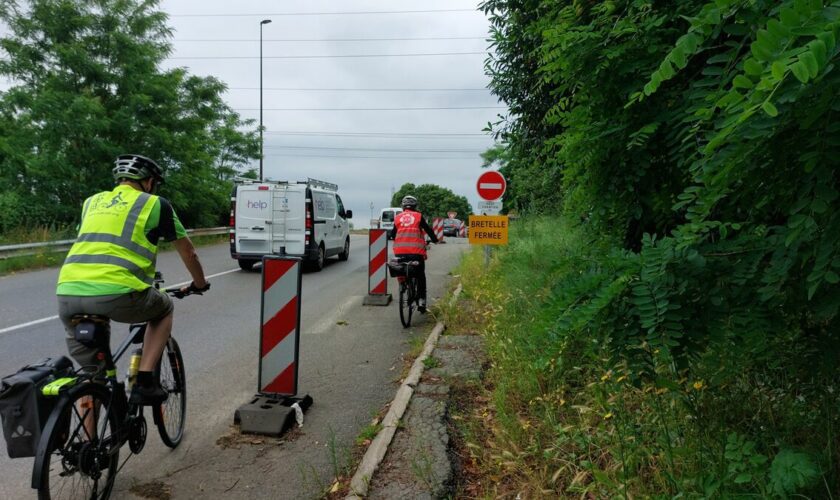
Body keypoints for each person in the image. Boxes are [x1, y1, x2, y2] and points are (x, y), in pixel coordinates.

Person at [56, 154, 209, 405]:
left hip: (67, 293)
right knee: (164, 309)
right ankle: (146, 380)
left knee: (92, 378)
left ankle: (90, 442)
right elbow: (189, 252)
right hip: (118, 292)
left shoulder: (91, 203)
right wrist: (200, 283)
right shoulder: (154, 204)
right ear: (149, 182)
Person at [389, 195, 438, 312]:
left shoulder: (398, 218)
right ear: (415, 206)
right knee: (420, 274)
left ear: (403, 206)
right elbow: (428, 230)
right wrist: (435, 240)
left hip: (400, 252)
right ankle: (421, 300)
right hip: (416, 253)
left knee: (401, 269)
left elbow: (392, 234)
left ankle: (402, 285)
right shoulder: (418, 216)